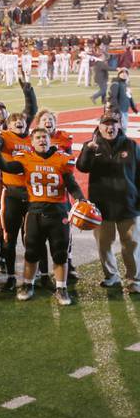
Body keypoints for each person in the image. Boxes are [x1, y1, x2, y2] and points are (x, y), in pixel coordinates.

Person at [0, 128, 85, 305]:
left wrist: (82, 199)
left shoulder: (62, 158)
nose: (42, 140)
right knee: (32, 252)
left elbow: (71, 184)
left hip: (58, 213)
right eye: (38, 138)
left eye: (45, 137)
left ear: (50, 140)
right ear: (32, 143)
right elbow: (6, 167)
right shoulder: (25, 158)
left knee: (60, 253)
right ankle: (28, 284)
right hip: (34, 212)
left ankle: (61, 288)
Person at [76, 112, 140, 293]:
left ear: (119, 125)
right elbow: (82, 167)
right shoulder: (91, 146)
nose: (110, 127)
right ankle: (111, 276)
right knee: (104, 245)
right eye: (106, 124)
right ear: (100, 126)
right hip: (101, 207)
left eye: (114, 123)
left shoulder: (131, 145)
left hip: (128, 205)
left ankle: (135, 279)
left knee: (132, 245)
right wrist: (88, 149)